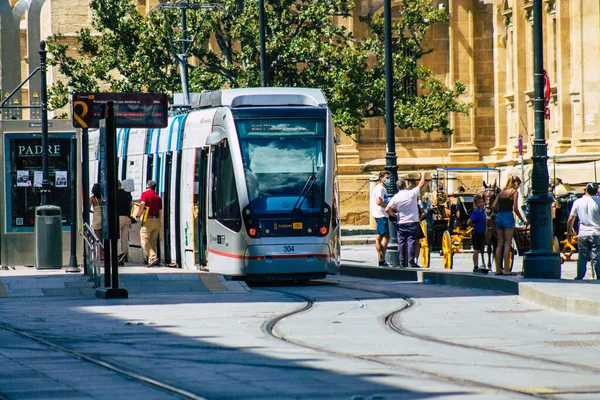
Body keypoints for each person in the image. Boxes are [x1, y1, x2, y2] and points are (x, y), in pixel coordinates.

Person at [385, 171, 426, 268]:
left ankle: (402, 262)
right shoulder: (411, 193)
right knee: (411, 241)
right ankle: (411, 261)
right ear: (405, 185)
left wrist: (394, 215)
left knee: (401, 243)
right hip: (412, 222)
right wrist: (423, 175)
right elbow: (421, 184)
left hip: (401, 222)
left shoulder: (396, 197)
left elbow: (387, 209)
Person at [492, 175, 528, 275]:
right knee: (508, 243)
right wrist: (522, 220)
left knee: (500, 244)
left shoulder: (501, 192)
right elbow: (515, 208)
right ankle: (506, 270)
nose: (518, 187)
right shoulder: (514, 192)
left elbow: (493, 206)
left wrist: (499, 211)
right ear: (516, 183)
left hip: (499, 216)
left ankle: (498, 269)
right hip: (508, 216)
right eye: (518, 185)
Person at [567, 183, 600, 280]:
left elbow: (571, 219)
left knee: (582, 257)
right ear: (596, 190)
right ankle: (599, 276)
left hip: (583, 233)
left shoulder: (578, 202)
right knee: (597, 256)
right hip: (596, 233)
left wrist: (569, 232)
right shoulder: (598, 202)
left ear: (586, 190)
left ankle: (579, 276)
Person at [136, 180, 162, 267]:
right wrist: (161, 224)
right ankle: (151, 260)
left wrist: (138, 215)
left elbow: (142, 204)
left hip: (148, 220)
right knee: (153, 241)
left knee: (144, 239)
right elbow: (160, 212)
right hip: (157, 221)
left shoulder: (145, 194)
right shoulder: (158, 197)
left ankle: (152, 256)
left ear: (147, 186)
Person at [371, 171, 391, 267]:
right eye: (386, 178)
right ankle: (382, 258)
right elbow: (379, 201)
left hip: (379, 214)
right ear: (381, 178)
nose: (388, 180)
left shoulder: (382, 188)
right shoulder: (380, 189)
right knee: (386, 236)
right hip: (381, 214)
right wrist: (388, 207)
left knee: (379, 236)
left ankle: (381, 258)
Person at [468, 194, 487, 274]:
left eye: (482, 202)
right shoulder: (476, 212)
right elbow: (468, 222)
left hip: (482, 232)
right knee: (476, 250)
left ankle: (480, 265)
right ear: (475, 204)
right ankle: (475, 267)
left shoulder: (482, 211)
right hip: (477, 233)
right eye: (479, 203)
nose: (481, 204)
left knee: (479, 249)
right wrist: (474, 225)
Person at [116, 180, 133, 265]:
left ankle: (120, 254)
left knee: (113, 238)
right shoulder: (128, 194)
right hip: (127, 218)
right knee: (124, 239)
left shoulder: (114, 194)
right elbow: (131, 206)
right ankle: (123, 256)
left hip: (118, 218)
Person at [89, 183, 104, 260]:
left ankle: (98, 253)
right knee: (103, 237)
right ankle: (103, 254)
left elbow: (87, 208)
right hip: (103, 218)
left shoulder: (92, 199)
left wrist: (93, 212)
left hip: (96, 218)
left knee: (97, 237)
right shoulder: (103, 198)